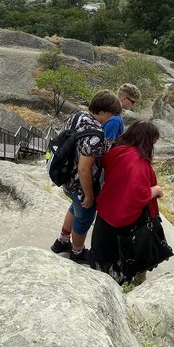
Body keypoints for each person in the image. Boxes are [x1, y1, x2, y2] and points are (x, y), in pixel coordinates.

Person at [50, 90, 122, 264]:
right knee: (84, 217)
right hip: (80, 185)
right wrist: (89, 195)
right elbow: (84, 169)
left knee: (74, 208)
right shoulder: (95, 134)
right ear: (103, 112)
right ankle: (77, 252)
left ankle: (62, 242)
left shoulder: (78, 115)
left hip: (67, 177)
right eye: (110, 115)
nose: (110, 119)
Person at [91, 120, 166, 285]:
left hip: (106, 210)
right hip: (124, 219)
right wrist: (157, 190)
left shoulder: (117, 151)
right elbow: (138, 194)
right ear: (147, 141)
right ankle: (138, 280)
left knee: (104, 257)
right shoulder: (138, 161)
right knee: (141, 248)